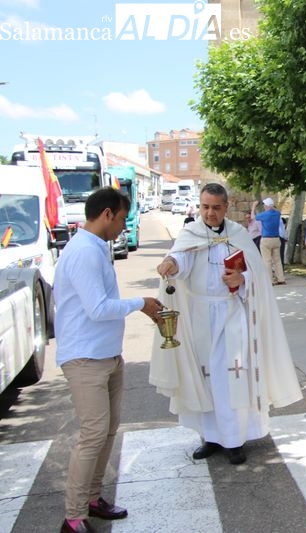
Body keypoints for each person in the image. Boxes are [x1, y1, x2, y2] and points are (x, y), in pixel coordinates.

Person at [151, 183, 302, 465]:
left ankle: (234, 440)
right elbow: (182, 258)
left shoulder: (238, 234)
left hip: (232, 315)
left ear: (226, 207)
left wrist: (242, 279)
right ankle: (210, 437)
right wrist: (171, 262)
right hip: (200, 317)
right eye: (205, 207)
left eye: (216, 208)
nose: (210, 213)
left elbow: (257, 272)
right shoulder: (191, 233)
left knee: (233, 377)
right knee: (206, 380)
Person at [54, 187, 163, 533]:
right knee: (93, 434)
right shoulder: (84, 251)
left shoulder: (96, 247)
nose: (123, 227)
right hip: (85, 358)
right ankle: (74, 517)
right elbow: (98, 308)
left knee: (107, 431)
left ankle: (92, 498)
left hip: (106, 355)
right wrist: (141, 303)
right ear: (106, 214)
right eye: (121, 219)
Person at [255, 197, 286, 285]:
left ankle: (269, 280)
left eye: (265, 205)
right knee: (277, 260)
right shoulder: (277, 214)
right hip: (276, 239)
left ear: (267, 206)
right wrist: (272, 207)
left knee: (267, 261)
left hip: (266, 239)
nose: (264, 206)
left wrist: (253, 207)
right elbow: (277, 211)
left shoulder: (264, 215)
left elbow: (254, 217)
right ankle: (281, 279)